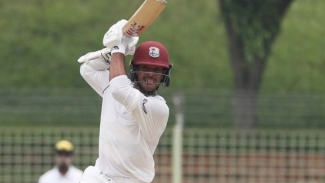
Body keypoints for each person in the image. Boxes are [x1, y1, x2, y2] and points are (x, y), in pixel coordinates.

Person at [77, 19, 172, 183]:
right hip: (100, 177)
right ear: (134, 69)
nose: (150, 74)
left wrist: (118, 47)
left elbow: (120, 90)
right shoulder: (114, 85)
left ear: (165, 74)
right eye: (145, 68)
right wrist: (115, 50)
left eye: (157, 70)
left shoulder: (158, 108)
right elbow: (87, 69)